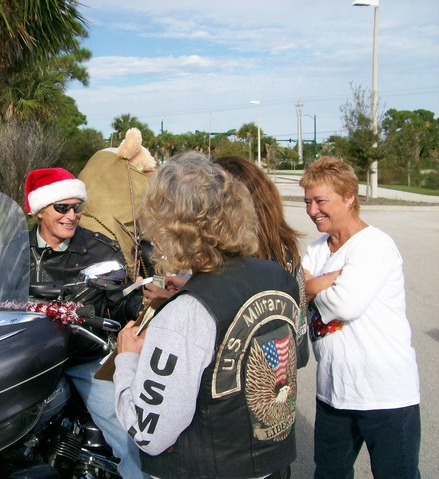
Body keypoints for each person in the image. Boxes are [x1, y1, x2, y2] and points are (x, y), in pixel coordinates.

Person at [113, 152, 301, 478]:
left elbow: (148, 433)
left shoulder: (185, 314)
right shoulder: (277, 276)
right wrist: (190, 288)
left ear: (167, 224)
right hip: (271, 464)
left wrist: (127, 359)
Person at [299, 156, 421, 479]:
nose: (312, 210)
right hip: (333, 393)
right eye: (307, 202)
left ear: (349, 197)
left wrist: (311, 286)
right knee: (329, 473)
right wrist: (325, 281)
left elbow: (345, 304)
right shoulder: (317, 248)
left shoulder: (374, 245)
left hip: (385, 394)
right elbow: (295, 291)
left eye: (320, 201)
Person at [24, 167, 148, 478]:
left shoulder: (98, 249)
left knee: (125, 428)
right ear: (40, 211)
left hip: (81, 355)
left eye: (77, 207)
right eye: (62, 207)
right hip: (24, 356)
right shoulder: (13, 249)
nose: (72, 215)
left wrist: (142, 304)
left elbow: (121, 300)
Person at [142, 155, 309, 369]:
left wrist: (182, 304)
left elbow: (223, 323)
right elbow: (296, 347)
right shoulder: (281, 262)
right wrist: (193, 289)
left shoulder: (241, 265)